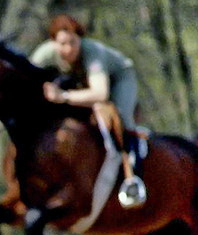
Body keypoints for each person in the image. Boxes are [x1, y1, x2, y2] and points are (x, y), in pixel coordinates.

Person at [30, 14, 146, 208]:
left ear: (80, 40)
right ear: (52, 43)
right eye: (62, 44)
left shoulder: (92, 53)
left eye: (72, 42)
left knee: (121, 117)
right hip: (81, 84)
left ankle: (133, 177)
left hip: (118, 78)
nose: (67, 49)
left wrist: (64, 97)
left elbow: (100, 93)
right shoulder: (44, 54)